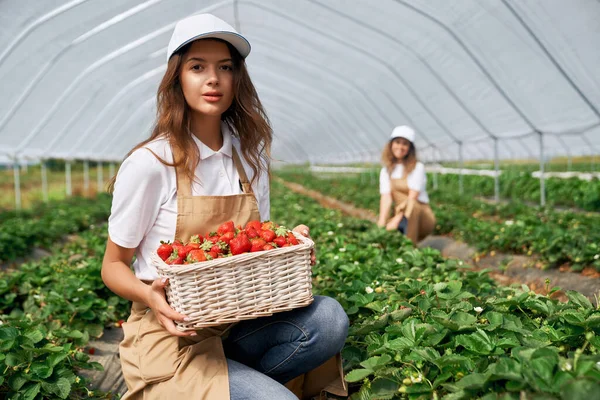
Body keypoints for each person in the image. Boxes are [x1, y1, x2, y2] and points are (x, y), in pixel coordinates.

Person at [101, 13, 348, 400]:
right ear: (177, 78)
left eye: (225, 67)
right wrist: (150, 296)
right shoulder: (152, 163)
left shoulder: (248, 160)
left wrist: (288, 242)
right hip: (173, 338)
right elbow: (113, 266)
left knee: (330, 318)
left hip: (239, 324)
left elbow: (258, 242)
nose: (213, 78)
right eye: (197, 67)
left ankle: (239, 384)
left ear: (237, 79)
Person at [376, 125, 436, 243]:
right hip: (401, 215)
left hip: (422, 217)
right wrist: (381, 224)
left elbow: (412, 197)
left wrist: (396, 220)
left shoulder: (417, 167)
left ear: (410, 148)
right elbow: (386, 198)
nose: (400, 147)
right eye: (397, 142)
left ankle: (409, 248)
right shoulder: (386, 171)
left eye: (405, 144)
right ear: (391, 145)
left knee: (412, 205)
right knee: (387, 232)